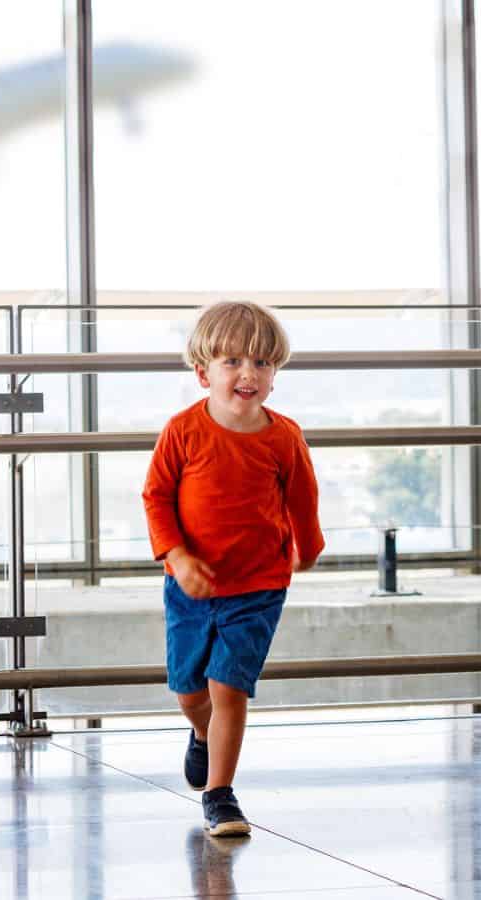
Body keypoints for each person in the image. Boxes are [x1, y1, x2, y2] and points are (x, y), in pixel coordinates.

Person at [142, 300, 324, 837]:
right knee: (190, 692)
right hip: (190, 587)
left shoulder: (283, 437)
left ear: (275, 375)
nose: (249, 374)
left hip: (259, 585)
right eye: (234, 362)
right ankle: (201, 735)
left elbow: (302, 499)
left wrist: (307, 547)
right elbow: (156, 498)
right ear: (204, 373)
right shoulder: (182, 431)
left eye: (263, 364)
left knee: (229, 688)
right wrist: (177, 555)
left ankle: (220, 795)